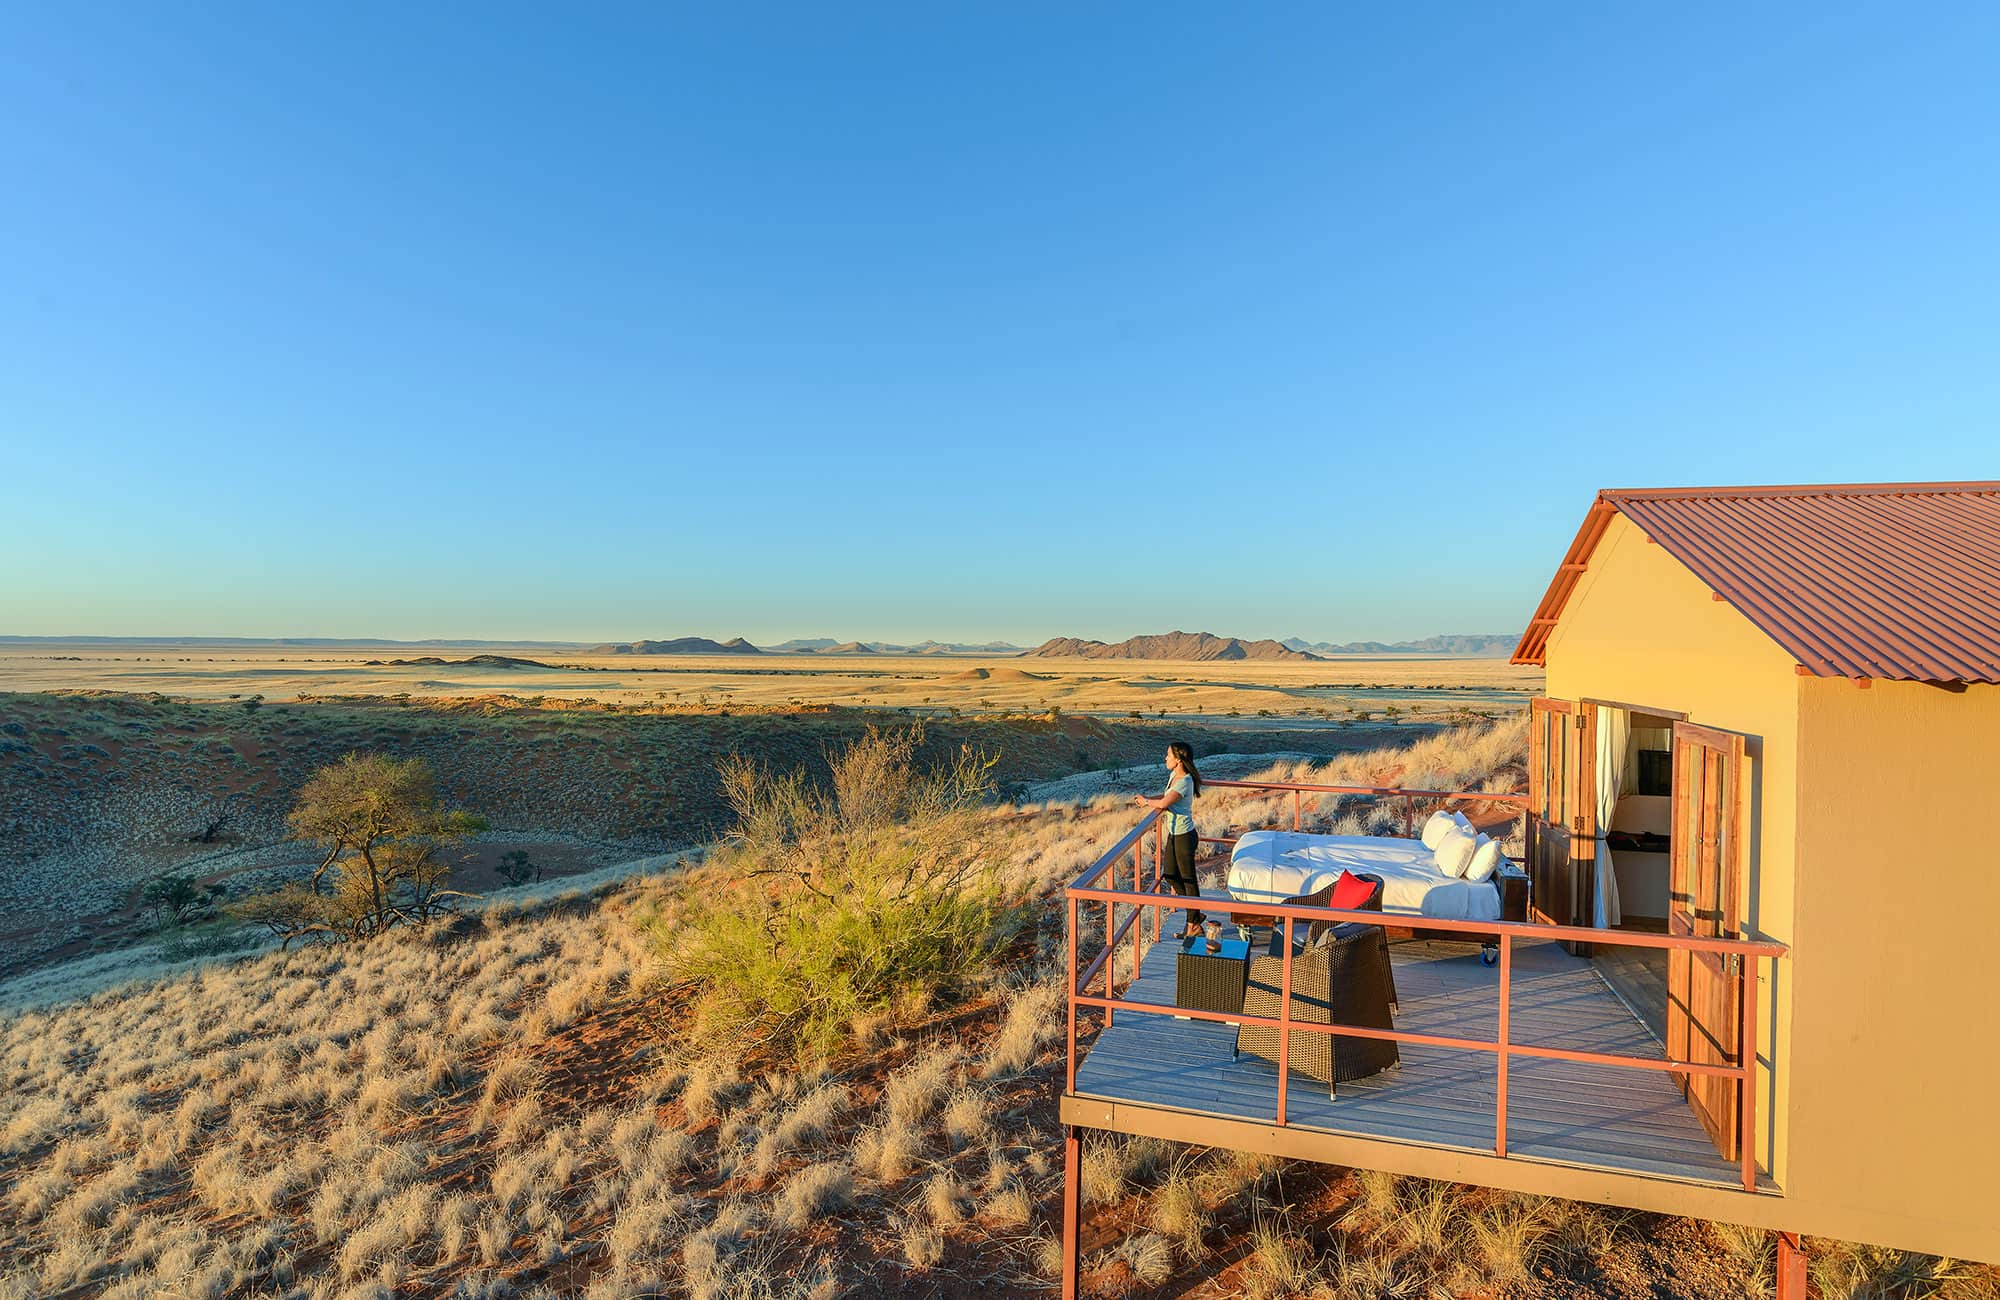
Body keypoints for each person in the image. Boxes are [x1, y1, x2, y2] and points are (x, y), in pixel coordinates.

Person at [1134, 741, 1204, 938]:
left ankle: (1193, 923)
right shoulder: (1174, 776)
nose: (1165, 758)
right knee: (1171, 875)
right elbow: (1167, 797)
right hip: (1174, 834)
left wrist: (1146, 801)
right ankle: (1195, 914)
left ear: (1179, 759)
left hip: (1184, 836)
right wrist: (1149, 799)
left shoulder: (1185, 781)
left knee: (1189, 880)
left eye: (1168, 755)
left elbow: (1165, 802)